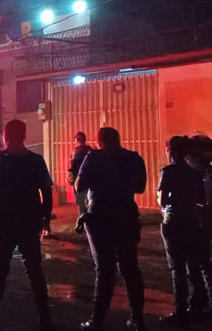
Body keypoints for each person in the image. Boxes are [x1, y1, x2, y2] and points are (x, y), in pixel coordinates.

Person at [0, 119, 54, 331]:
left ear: (5, 135)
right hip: (30, 221)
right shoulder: (35, 160)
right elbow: (46, 192)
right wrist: (45, 220)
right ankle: (45, 320)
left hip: (3, 221)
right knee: (34, 269)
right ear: (24, 136)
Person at [75, 127, 147, 331]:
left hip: (100, 215)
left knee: (104, 269)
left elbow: (79, 186)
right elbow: (140, 187)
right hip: (126, 214)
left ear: (99, 141)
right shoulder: (134, 158)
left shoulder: (93, 157)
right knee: (130, 268)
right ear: (118, 139)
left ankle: (97, 320)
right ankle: (137, 319)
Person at [157, 135, 205, 326]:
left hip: (173, 221)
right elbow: (201, 199)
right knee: (193, 265)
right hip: (191, 221)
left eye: (167, 149)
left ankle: (180, 311)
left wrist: (162, 199)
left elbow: (163, 201)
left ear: (172, 152)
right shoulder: (195, 173)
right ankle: (196, 307)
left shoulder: (168, 172)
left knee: (177, 268)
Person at [186, 135, 212, 322]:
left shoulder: (207, 174)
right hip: (197, 223)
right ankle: (199, 302)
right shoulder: (200, 173)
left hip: (201, 224)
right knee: (195, 265)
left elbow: (210, 204)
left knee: (202, 263)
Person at [68, 131, 92, 215]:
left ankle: (82, 218)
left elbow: (72, 167)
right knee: (90, 200)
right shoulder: (90, 150)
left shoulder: (76, 152)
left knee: (80, 202)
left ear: (76, 140)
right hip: (90, 179)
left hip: (78, 179)